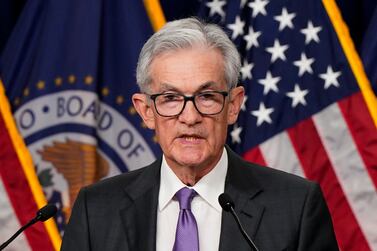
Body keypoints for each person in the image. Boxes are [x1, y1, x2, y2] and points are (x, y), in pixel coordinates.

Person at [61, 17, 339, 251]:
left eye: (206, 96)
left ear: (233, 106)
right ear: (146, 111)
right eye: (170, 97)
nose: (190, 117)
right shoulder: (95, 210)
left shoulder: (296, 206)